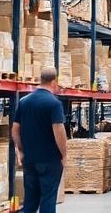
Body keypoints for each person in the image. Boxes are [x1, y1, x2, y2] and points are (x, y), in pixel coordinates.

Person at [11, 67, 68, 213]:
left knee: (30, 200)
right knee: (48, 198)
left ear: (40, 79)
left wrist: (21, 151)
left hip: (30, 159)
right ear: (54, 81)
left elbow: (15, 130)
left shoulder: (24, 102)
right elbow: (58, 131)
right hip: (49, 160)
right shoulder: (54, 103)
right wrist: (64, 154)